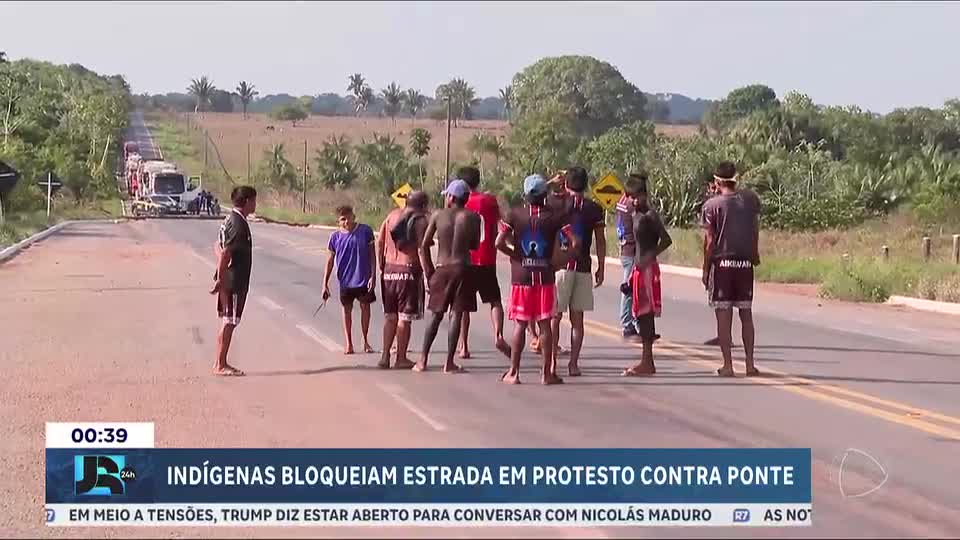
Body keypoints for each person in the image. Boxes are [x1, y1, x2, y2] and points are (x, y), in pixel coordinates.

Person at [496, 174, 579, 385]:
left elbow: (499, 242)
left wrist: (515, 255)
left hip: (521, 276)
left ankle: (513, 372)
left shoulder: (514, 215)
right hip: (545, 276)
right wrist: (562, 261)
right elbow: (575, 243)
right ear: (545, 195)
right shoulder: (555, 216)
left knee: (520, 325)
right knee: (544, 325)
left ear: (525, 194)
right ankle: (546, 373)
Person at [700, 161, 762, 377]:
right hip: (745, 264)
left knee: (723, 315)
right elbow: (754, 230)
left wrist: (706, 269)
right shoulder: (750, 200)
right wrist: (754, 255)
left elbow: (709, 241)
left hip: (723, 265)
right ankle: (750, 364)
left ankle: (728, 365)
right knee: (746, 314)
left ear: (717, 181)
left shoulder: (711, 206)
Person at [417, 179, 480, 373]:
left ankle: (422, 360)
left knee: (435, 315)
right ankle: (449, 362)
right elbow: (475, 245)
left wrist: (429, 272)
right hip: (463, 268)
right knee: (456, 314)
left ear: (452, 197)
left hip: (442, 268)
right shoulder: (473, 217)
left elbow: (424, 245)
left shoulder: (437, 215)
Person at [550, 167, 605, 377]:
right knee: (577, 320)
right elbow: (600, 240)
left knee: (555, 316)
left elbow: (531, 199)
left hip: (560, 266)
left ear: (565, 185)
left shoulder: (556, 204)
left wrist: (549, 183)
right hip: (583, 266)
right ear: (586, 185)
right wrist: (601, 266)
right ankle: (573, 364)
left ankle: (552, 361)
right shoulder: (594, 209)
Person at [458, 166, 511, 359]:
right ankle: (498, 334)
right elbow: (501, 220)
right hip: (487, 258)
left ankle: (463, 346)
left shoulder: (461, 201)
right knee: (494, 300)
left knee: (464, 305)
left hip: (467, 260)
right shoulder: (489, 201)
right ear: (478, 181)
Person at [622, 174, 672, 376]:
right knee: (640, 314)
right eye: (631, 197)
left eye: (638, 197)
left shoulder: (650, 215)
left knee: (646, 314)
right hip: (638, 268)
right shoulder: (634, 214)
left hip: (648, 269)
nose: (634, 201)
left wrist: (650, 257)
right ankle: (646, 360)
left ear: (645, 195)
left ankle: (648, 362)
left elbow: (666, 240)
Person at [377, 190, 430, 369]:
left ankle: (385, 357)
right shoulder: (419, 220)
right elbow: (422, 250)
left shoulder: (391, 216)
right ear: (423, 206)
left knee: (390, 317)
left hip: (389, 270)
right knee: (403, 318)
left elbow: (380, 242)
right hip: (408, 271)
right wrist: (428, 274)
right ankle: (400, 357)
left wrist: (381, 265)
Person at [209, 185, 258, 377]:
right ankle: (220, 364)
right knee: (229, 322)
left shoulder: (230, 219)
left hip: (229, 279)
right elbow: (226, 253)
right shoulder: (238, 224)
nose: (255, 204)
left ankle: (220, 362)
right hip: (234, 281)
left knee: (227, 321)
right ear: (246, 201)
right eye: (253, 200)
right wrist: (221, 278)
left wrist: (220, 273)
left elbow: (217, 246)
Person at [322, 205, 377, 355]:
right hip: (345, 281)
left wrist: (373, 276)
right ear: (338, 221)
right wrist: (324, 284)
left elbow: (372, 255)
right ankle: (348, 343)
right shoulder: (335, 237)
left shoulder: (365, 231)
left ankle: (365, 341)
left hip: (363, 279)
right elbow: (330, 261)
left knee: (365, 307)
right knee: (347, 310)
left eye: (348, 217)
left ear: (354, 216)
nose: (346, 221)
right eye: (342, 219)